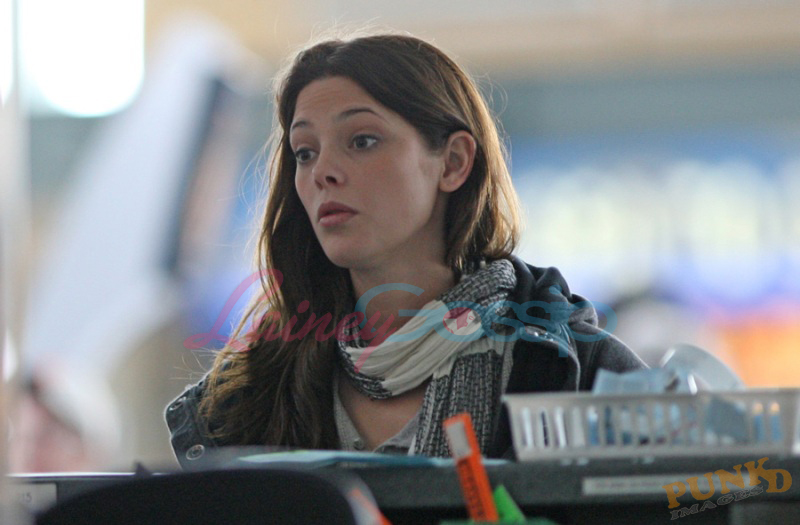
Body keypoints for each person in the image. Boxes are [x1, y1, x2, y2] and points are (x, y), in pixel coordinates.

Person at [165, 32, 646, 467]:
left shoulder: (581, 374)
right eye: (304, 152)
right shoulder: (245, 401)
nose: (322, 172)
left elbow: (683, 507)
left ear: (453, 163)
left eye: (362, 141)